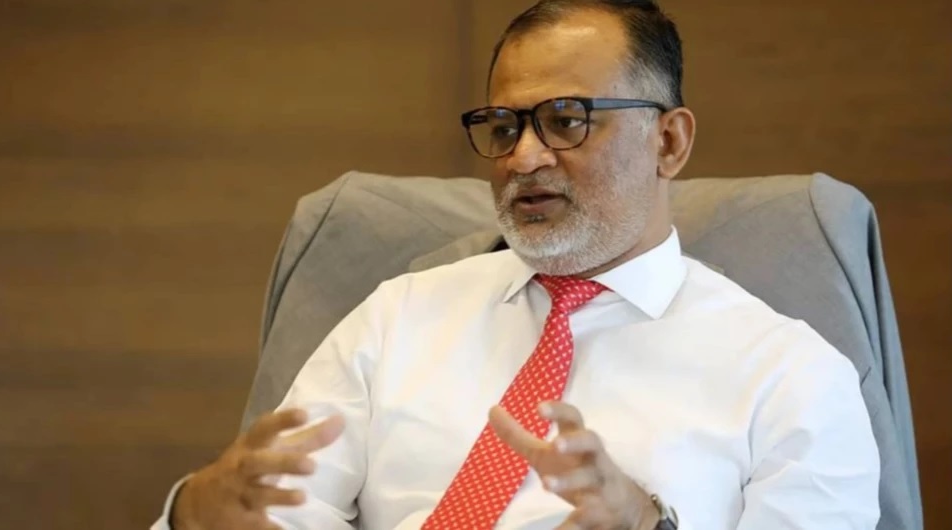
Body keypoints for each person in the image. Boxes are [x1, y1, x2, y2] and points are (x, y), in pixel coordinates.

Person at [152, 1, 881, 528]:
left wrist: (641, 523)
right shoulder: (395, 317)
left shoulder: (791, 375)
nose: (524, 157)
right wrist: (195, 513)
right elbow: (275, 509)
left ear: (668, 143)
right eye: (504, 127)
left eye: (566, 120)